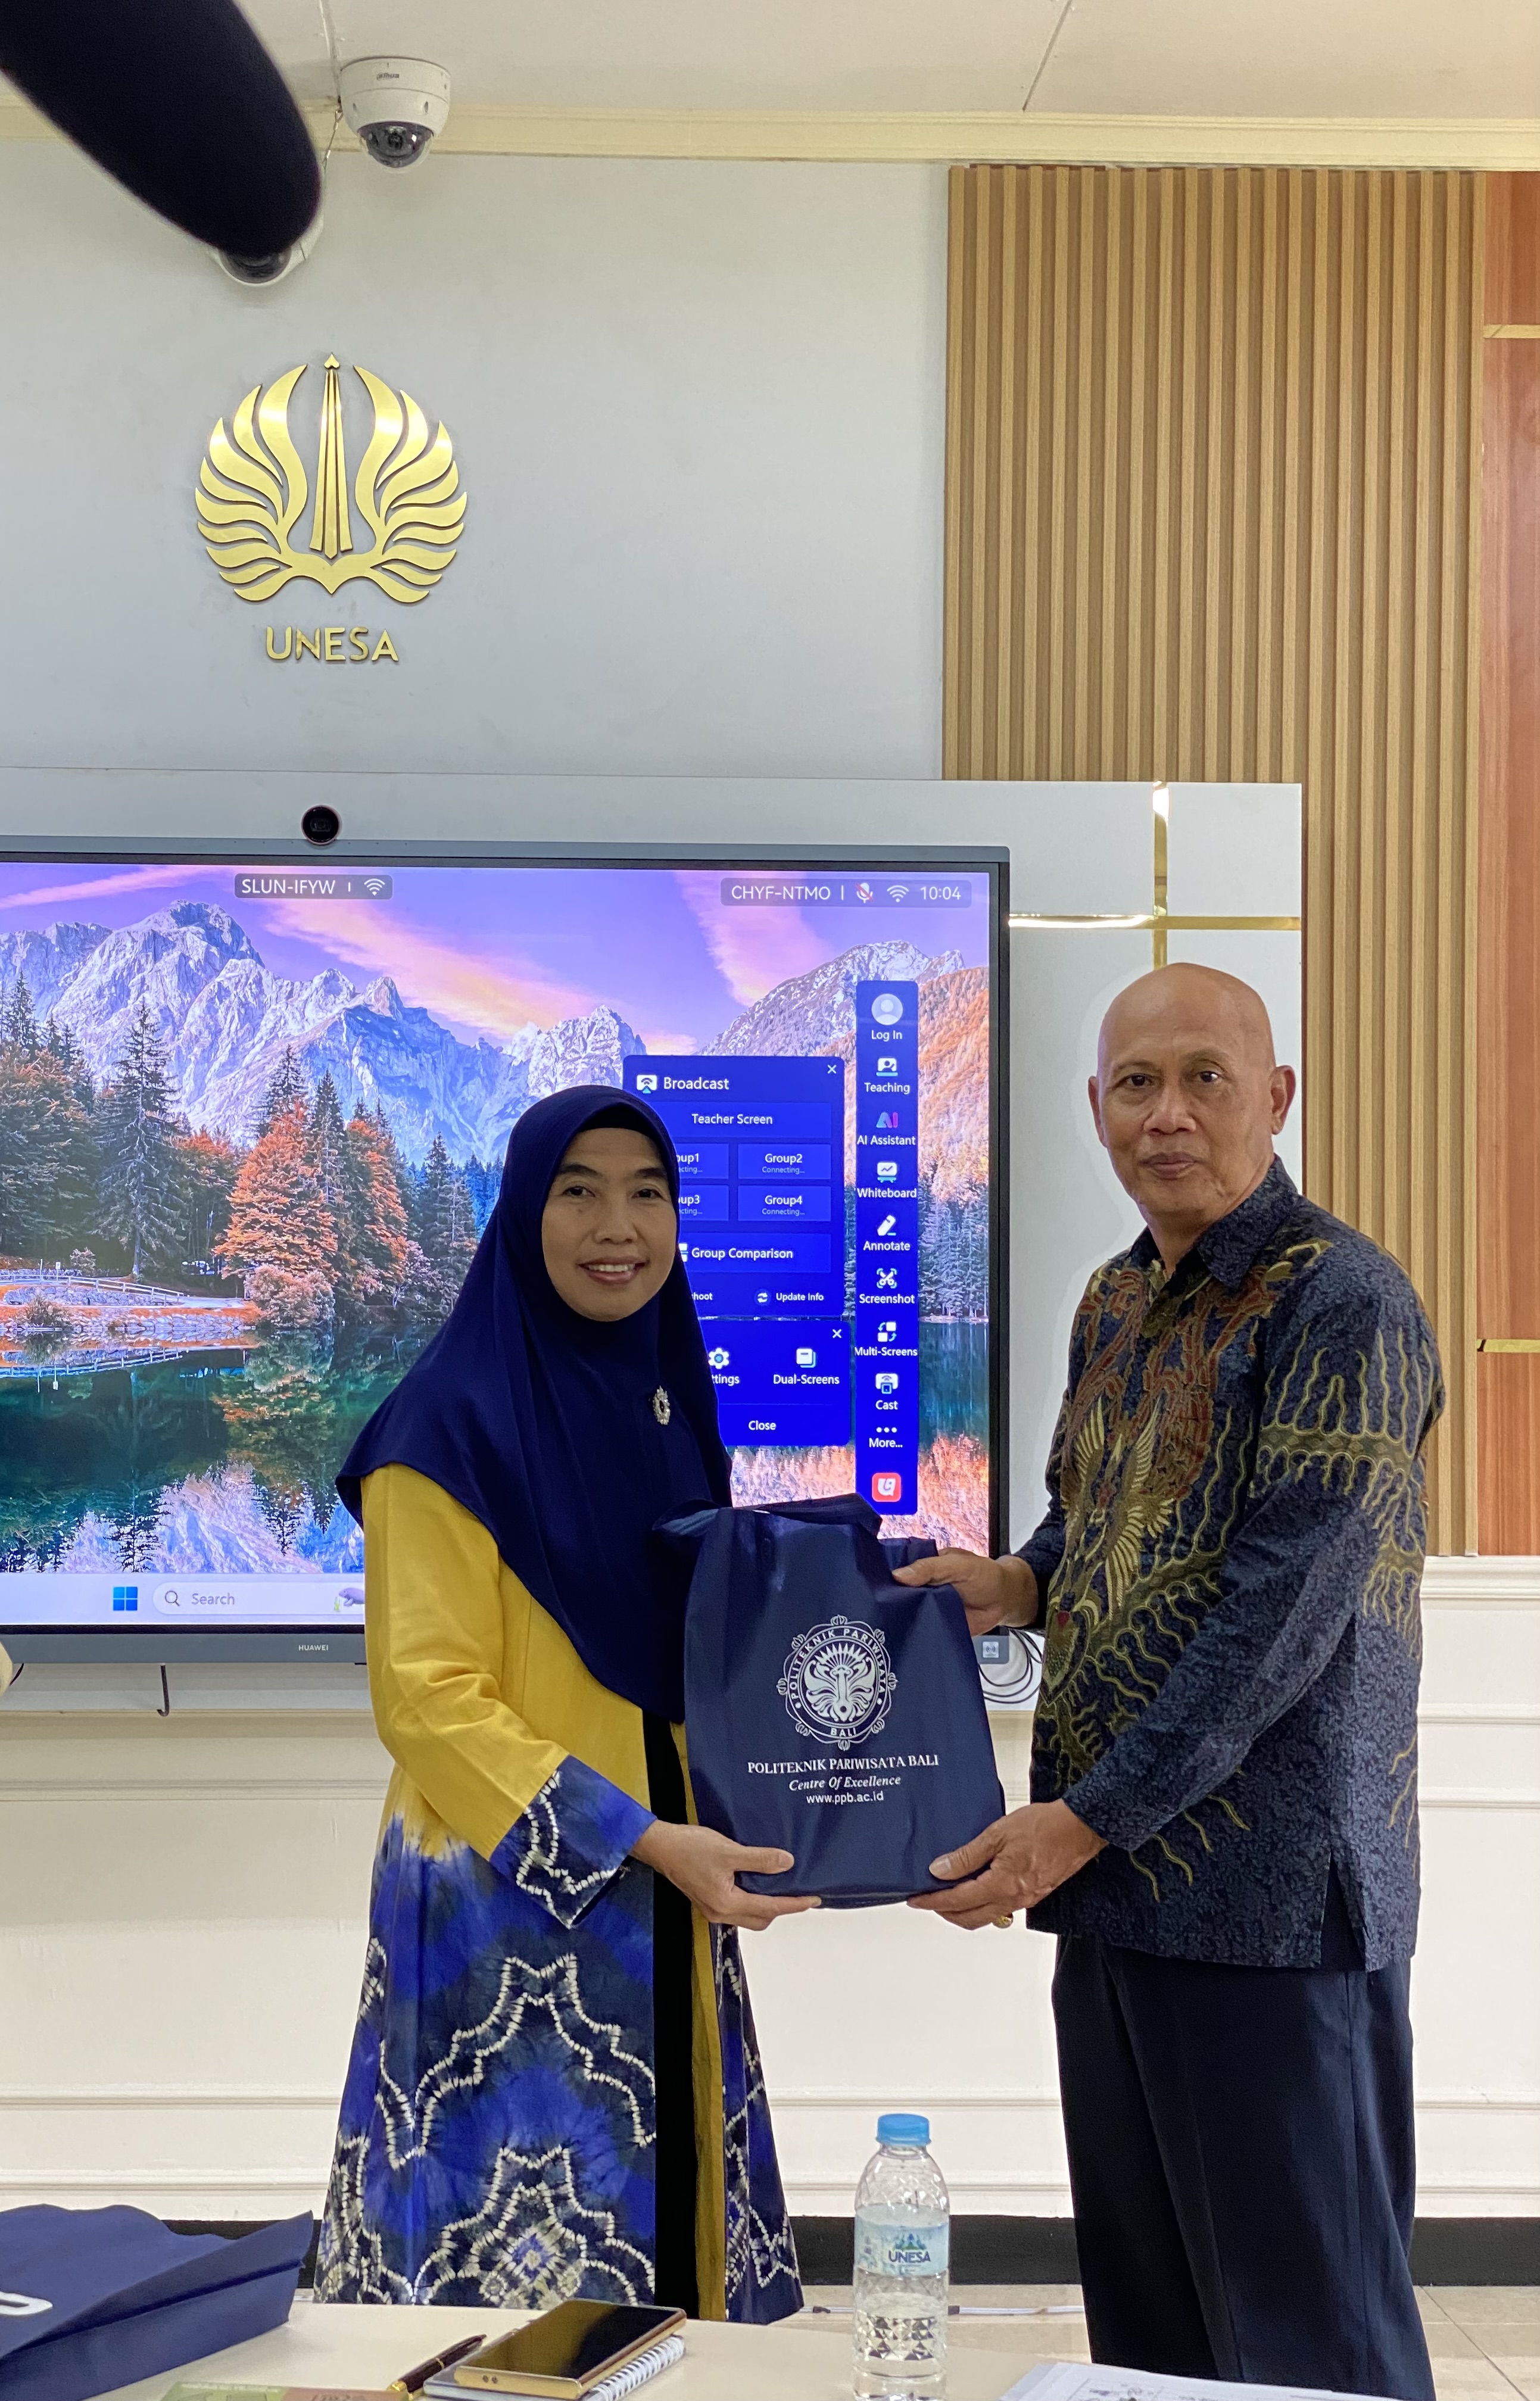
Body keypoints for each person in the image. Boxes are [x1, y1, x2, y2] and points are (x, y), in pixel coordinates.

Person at [897, 963, 1442, 2401]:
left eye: (1206, 1077)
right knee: (1154, 2345)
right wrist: (1013, 1584)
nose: (1168, 1115)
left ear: (1278, 1097)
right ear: (1096, 1107)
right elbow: (1097, 1521)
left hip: (1276, 1903)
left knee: (1311, 2349)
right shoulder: (1118, 1297)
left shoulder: (1344, 1303)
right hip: (1118, 1888)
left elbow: (1281, 1619)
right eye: (1137, 1084)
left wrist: (1079, 1822)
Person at [316, 1086, 815, 2321]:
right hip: (504, 1909)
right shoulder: (443, 1427)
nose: (618, 1227)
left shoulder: (665, 1405)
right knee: (506, 2280)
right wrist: (635, 1837)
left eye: (649, 1194)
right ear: (520, 1214)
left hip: (671, 1880)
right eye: (577, 1191)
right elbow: (425, 1699)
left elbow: (693, 1646)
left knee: (674, 2227)